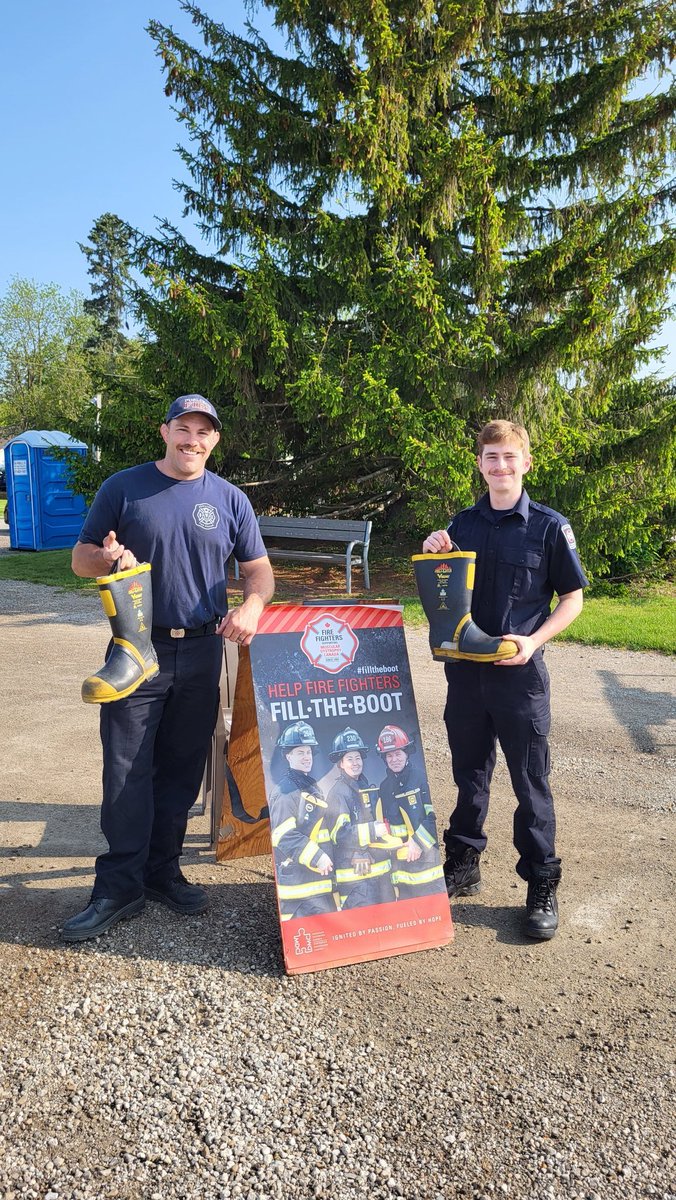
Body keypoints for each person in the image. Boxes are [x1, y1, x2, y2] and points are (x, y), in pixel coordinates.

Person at [62, 394, 274, 942]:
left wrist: (252, 606)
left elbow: (258, 572)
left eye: (204, 432)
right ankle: (118, 886)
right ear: (165, 431)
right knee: (127, 770)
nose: (193, 440)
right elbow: (80, 557)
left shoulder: (230, 500)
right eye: (184, 428)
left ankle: (161, 872)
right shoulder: (124, 487)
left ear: (215, 441)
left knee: (182, 769)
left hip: (204, 650)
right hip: (137, 650)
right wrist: (106, 558)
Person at [422, 420, 588, 939]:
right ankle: (463, 863)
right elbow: (444, 589)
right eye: (491, 457)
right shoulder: (463, 524)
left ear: (526, 462)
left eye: (510, 457)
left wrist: (534, 642)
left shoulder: (548, 526)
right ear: (480, 464)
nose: (501, 467)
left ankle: (541, 883)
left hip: (521, 677)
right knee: (469, 773)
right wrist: (435, 550)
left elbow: (573, 599)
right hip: (466, 676)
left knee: (529, 781)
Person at [269, 721, 338, 921]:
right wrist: (318, 857)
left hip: (316, 883)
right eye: (300, 752)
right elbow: (283, 835)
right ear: (288, 755)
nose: (307, 757)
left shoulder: (308, 786)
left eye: (308, 752)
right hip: (300, 892)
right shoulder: (285, 791)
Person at [327, 728, 398, 909]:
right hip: (357, 881)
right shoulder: (338, 793)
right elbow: (339, 834)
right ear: (340, 764)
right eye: (349, 759)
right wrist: (372, 831)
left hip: (380, 875)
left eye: (357, 758)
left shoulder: (367, 787)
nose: (355, 763)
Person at [375, 725, 445, 900]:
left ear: (406, 753)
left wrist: (417, 842)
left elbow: (432, 817)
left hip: (426, 861)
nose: (394, 759)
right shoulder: (384, 787)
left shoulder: (421, 778)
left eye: (398, 754)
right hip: (400, 864)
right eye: (389, 755)